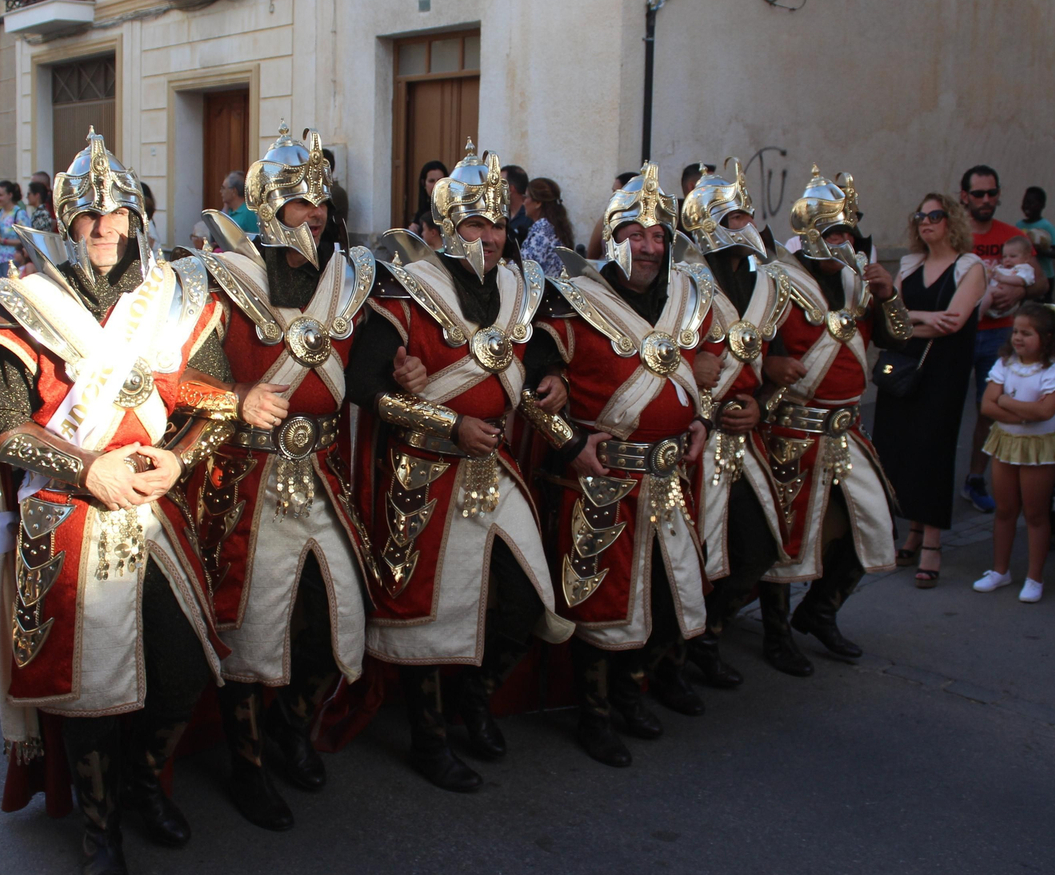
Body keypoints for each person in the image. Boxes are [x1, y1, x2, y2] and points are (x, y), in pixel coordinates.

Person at [0, 130, 229, 875]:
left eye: (118, 211)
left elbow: (210, 403)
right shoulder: (23, 306)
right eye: (89, 214)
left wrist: (178, 457)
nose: (105, 224)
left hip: (156, 516)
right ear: (64, 221)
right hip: (70, 520)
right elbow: (4, 428)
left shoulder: (179, 299)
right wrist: (89, 468)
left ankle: (147, 783)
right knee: (90, 693)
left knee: (180, 672)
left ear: (139, 217)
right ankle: (99, 824)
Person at [347, 142, 573, 788]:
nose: (490, 236)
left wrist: (552, 381)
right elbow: (367, 386)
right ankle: (428, 737)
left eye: (498, 223)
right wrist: (447, 421)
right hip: (422, 473)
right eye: (475, 223)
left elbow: (527, 366)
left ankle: (477, 698)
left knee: (526, 601)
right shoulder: (407, 289)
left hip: (493, 473)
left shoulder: (518, 288)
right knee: (427, 614)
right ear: (448, 227)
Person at [181, 126, 375, 830]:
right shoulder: (218, 278)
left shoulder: (346, 281)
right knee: (252, 635)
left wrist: (400, 377)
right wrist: (234, 400)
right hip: (248, 484)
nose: (313, 212)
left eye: (320, 199)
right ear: (268, 208)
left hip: (323, 475)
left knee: (336, 623)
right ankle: (249, 764)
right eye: (297, 201)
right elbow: (182, 384)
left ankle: (294, 727)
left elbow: (377, 367)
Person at [535, 163, 717, 768]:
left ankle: (635, 694)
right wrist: (567, 439)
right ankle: (595, 713)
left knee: (666, 595)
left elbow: (705, 375)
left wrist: (702, 419)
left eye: (658, 235)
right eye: (636, 234)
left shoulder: (685, 300)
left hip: (668, 479)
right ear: (613, 237)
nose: (648, 245)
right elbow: (534, 383)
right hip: (604, 480)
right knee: (601, 604)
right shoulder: (571, 300)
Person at [754, 168, 912, 665]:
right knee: (788, 536)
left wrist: (888, 296)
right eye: (835, 232)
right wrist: (772, 365)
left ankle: (821, 611)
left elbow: (896, 338)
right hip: (792, 428)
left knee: (876, 521)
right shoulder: (777, 276)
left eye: (849, 231)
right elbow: (756, 344)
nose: (845, 241)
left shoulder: (859, 276)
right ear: (813, 234)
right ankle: (776, 633)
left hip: (846, 429)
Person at [675, 162, 790, 683]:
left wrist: (763, 405)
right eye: (736, 215)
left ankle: (712, 633)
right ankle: (682, 654)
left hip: (746, 442)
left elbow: (781, 367)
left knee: (760, 546)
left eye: (747, 214)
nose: (748, 225)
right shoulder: (681, 283)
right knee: (692, 558)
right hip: (693, 441)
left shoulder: (765, 282)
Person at [872, 194, 986, 590]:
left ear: (951, 220)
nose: (925, 221)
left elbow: (953, 323)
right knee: (900, 446)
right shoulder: (910, 264)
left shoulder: (970, 267)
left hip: (943, 371)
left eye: (934, 215)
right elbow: (892, 317)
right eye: (919, 215)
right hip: (904, 369)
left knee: (932, 448)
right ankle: (914, 532)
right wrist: (923, 319)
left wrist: (910, 322)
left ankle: (932, 543)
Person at [973, 303, 1055, 603]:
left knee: (1035, 513)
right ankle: (1000, 570)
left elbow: (1044, 410)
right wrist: (1021, 415)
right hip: (1006, 442)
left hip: (1038, 448)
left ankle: (1034, 577)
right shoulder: (1005, 364)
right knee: (1004, 510)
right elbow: (986, 406)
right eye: (1016, 331)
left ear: (1047, 336)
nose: (1018, 338)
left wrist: (1005, 401)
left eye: (1027, 333)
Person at [960, 165, 1045, 513]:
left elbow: (1041, 283)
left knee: (989, 408)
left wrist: (1020, 290)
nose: (986, 200)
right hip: (959, 333)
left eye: (992, 193)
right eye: (978, 194)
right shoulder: (954, 235)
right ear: (964, 196)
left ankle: (975, 478)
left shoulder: (1013, 235)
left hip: (999, 336)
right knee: (946, 409)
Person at [518, 176, 574, 278]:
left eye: (525, 197)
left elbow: (524, 267)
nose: (523, 202)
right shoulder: (553, 226)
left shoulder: (542, 230)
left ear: (538, 203)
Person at [1016, 187, 1055, 301]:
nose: (1027, 206)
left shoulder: (1046, 226)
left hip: (1045, 275)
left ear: (1041, 205)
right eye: (1025, 202)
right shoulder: (1019, 226)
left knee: (1045, 305)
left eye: (1031, 203)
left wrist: (1040, 251)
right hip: (1024, 275)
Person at [584, 170, 640, 259]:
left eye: (616, 192)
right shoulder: (606, 219)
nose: (612, 197)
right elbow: (592, 257)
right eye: (613, 192)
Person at [982, 235, 1039, 321]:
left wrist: (1002, 278)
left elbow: (1021, 281)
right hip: (993, 299)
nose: (1007, 259)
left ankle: (978, 314)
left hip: (1005, 302)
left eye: (1013, 256)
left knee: (988, 290)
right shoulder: (1001, 268)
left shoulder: (1024, 269)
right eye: (1005, 256)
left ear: (1026, 258)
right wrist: (989, 274)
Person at [0, 181, 31, 275]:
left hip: (13, 259)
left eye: (0, 195)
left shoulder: (19, 213)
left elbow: (26, 239)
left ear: (10, 195)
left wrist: (2, 240)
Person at [405, 160, 448, 237]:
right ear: (423, 183)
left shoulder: (454, 209)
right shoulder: (422, 211)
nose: (436, 185)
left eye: (440, 181)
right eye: (431, 181)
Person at [219, 170, 259, 235]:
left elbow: (256, 238)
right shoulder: (228, 211)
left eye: (223, 188)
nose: (221, 191)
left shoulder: (248, 212)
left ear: (233, 191)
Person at [502, 163, 531, 242]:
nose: (494, 189)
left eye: (498, 185)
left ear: (510, 189)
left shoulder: (531, 216)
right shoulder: (500, 213)